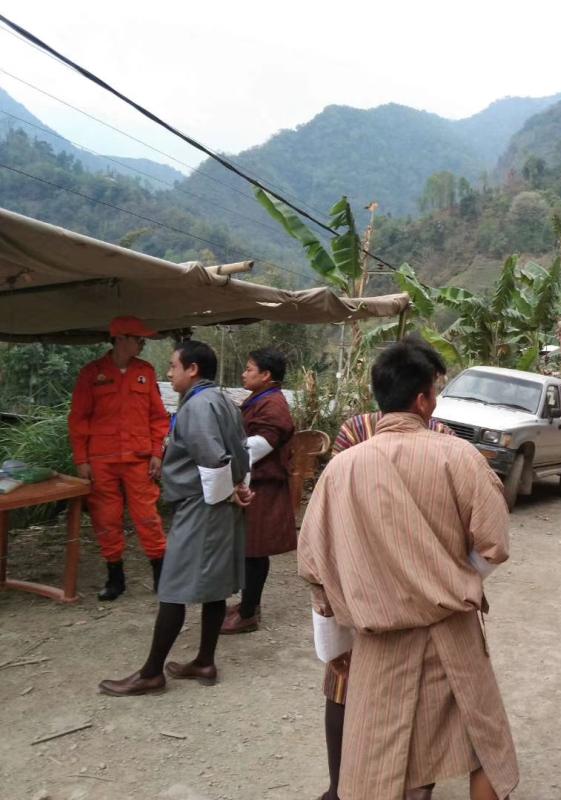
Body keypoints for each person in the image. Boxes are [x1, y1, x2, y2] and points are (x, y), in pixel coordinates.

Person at [299, 336, 518, 800]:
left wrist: (334, 646)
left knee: (390, 768)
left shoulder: (341, 469)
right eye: (434, 393)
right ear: (423, 399)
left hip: (379, 645)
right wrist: (456, 577)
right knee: (487, 749)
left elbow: (315, 567)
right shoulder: (459, 455)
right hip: (452, 632)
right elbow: (494, 543)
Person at [99, 340, 251, 696]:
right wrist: (240, 486)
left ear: (192, 369)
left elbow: (212, 457)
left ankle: (152, 672)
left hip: (203, 505)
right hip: (219, 503)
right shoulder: (223, 400)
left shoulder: (198, 406)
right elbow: (241, 449)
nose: (169, 373)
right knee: (212, 585)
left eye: (172, 366)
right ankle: (204, 660)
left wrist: (228, 490)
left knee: (173, 586)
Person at [319, 409, 453, 800]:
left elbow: (333, 501)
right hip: (423, 589)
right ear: (425, 393)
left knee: (343, 683)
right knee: (421, 693)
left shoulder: (356, 429)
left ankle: (339, 787)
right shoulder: (443, 437)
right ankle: (412, 790)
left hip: (361, 583)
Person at [68, 316, 170, 601]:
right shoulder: (92, 373)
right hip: (101, 459)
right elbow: (78, 419)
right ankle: (115, 579)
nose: (143, 343)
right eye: (139, 338)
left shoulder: (145, 372)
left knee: (148, 517)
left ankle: (162, 576)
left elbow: (158, 417)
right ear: (121, 338)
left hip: (139, 458)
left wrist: (156, 453)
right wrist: (81, 461)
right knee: (107, 519)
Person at [221, 348, 296, 635]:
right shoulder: (260, 398)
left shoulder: (273, 406)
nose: (244, 373)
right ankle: (247, 604)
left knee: (255, 550)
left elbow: (258, 446)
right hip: (255, 484)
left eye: (249, 368)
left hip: (263, 487)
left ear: (266, 375)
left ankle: (249, 612)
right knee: (249, 549)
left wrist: (220, 452)